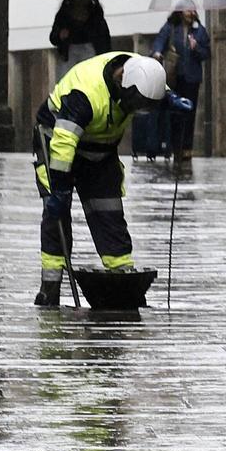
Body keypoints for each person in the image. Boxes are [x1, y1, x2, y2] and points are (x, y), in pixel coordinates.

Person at [33, 51, 193, 307]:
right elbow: (63, 146)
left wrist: (170, 99)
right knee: (57, 219)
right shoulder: (84, 94)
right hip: (55, 142)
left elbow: (155, 86)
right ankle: (49, 289)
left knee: (109, 214)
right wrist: (60, 190)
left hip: (101, 150)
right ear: (121, 83)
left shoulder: (140, 71)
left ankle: (124, 282)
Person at [150, 7, 211, 162]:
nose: (190, 13)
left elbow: (206, 53)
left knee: (189, 112)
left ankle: (187, 148)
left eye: (192, 10)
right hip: (174, 77)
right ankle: (175, 146)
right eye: (187, 10)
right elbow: (159, 41)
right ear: (180, 12)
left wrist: (195, 47)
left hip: (192, 78)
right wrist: (157, 53)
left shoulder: (199, 30)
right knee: (174, 112)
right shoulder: (170, 27)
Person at [49, 0, 112, 82]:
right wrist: (60, 35)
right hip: (68, 55)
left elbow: (105, 41)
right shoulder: (64, 15)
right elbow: (53, 38)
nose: (81, 0)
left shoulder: (96, 15)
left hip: (91, 55)